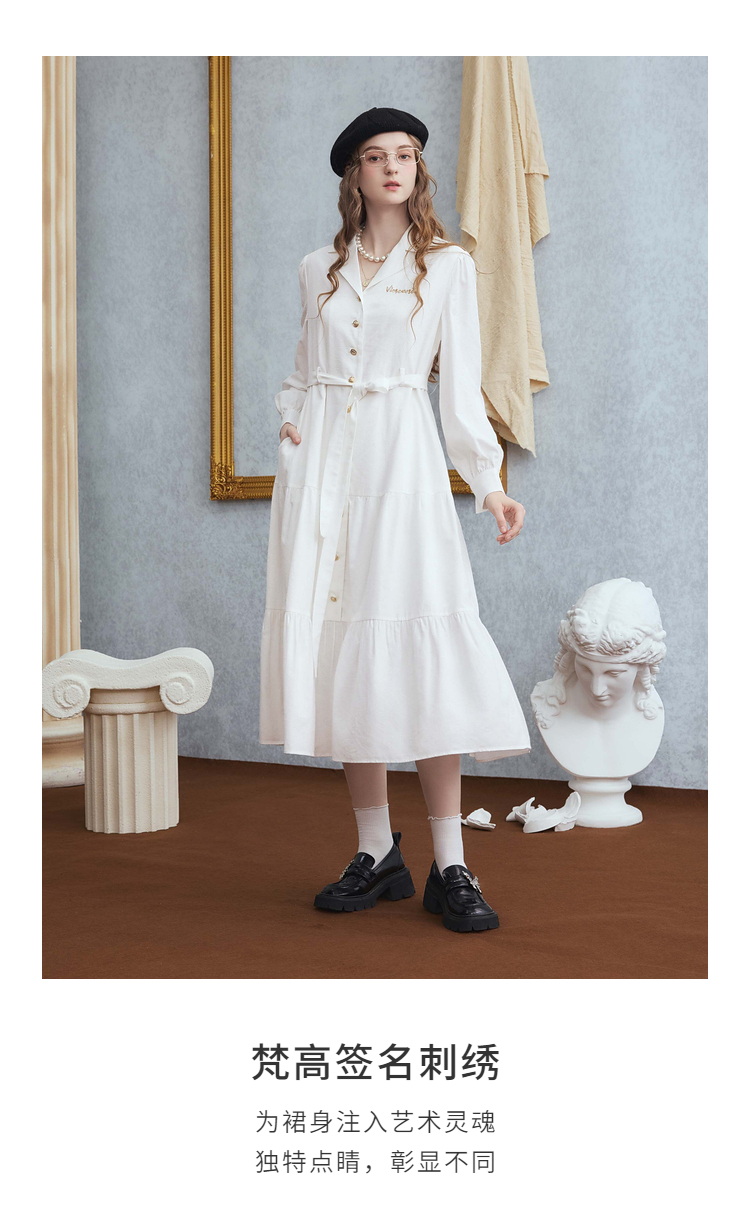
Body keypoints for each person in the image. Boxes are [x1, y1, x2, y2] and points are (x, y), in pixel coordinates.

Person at [259, 107, 531, 933]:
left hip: (403, 465)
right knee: (347, 647)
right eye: (376, 156)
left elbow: (461, 389)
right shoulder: (317, 268)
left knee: (420, 647)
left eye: (404, 155)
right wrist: (291, 422)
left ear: (418, 169)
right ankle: (376, 851)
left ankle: (452, 862)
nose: (391, 167)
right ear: (355, 173)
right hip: (325, 476)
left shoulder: (446, 266)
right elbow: (301, 374)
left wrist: (488, 484)